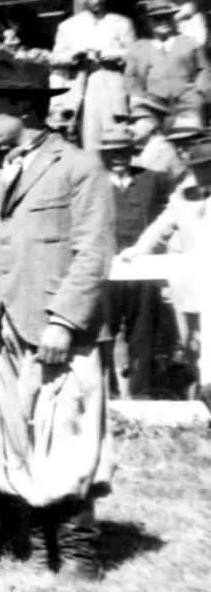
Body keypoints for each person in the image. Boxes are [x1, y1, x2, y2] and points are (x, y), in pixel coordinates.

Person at [0, 58, 114, 580]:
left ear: (25, 108)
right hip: (4, 333)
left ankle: (79, 552)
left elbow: (94, 253)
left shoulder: (78, 167)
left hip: (55, 331)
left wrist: (64, 321)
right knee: (16, 440)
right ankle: (39, 546)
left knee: (69, 436)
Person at [116, 134, 211, 408]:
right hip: (192, 289)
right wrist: (137, 250)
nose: (200, 172)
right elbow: (162, 226)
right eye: (197, 166)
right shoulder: (184, 195)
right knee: (194, 347)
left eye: (206, 166)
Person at [96, 126, 176, 398]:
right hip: (106, 270)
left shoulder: (152, 179)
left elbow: (172, 213)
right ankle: (108, 393)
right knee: (104, 330)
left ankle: (141, 392)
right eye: (113, 152)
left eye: (125, 152)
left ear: (134, 153)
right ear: (103, 155)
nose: (119, 157)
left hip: (144, 270)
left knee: (143, 332)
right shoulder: (92, 183)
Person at [49, 0, 135, 150]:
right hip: (84, 91)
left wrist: (107, 53)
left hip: (113, 91)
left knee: (118, 141)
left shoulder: (121, 23)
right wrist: (74, 55)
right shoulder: (68, 26)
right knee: (90, 143)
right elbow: (55, 59)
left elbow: (136, 56)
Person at [127, 0, 204, 115]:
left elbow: (204, 70)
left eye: (167, 17)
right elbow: (130, 77)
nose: (163, 22)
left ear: (173, 19)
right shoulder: (137, 48)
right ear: (148, 21)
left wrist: (199, 91)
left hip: (187, 101)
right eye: (156, 18)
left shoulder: (189, 43)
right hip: (152, 101)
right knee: (143, 127)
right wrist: (138, 96)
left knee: (188, 128)